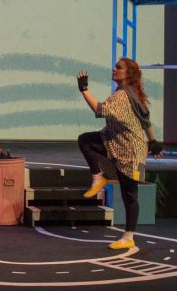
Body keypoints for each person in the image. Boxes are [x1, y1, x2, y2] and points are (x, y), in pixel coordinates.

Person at [77, 58, 163, 249]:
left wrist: (84, 89)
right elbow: (146, 118)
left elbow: (100, 109)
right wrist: (153, 140)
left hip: (130, 152)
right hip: (114, 141)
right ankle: (99, 177)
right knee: (86, 140)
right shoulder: (127, 93)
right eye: (115, 66)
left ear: (128, 74)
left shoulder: (123, 96)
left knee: (129, 194)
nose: (114, 69)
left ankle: (128, 237)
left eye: (119, 67)